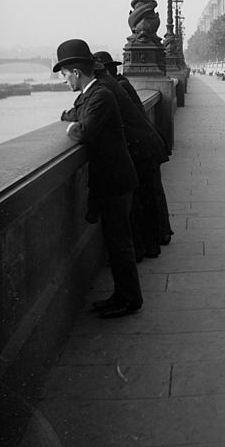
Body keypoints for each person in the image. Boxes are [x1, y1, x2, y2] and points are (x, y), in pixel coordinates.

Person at [54, 39, 142, 318]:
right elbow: (77, 113)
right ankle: (121, 295)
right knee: (115, 243)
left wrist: (71, 128)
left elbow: (84, 130)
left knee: (120, 244)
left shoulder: (101, 95)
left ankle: (130, 300)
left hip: (116, 181)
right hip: (112, 179)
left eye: (65, 74)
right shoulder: (92, 94)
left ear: (76, 72)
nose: (64, 80)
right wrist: (72, 118)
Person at [90, 51, 170, 257]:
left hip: (141, 147)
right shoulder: (119, 83)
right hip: (147, 143)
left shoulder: (109, 87)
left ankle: (149, 246)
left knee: (143, 199)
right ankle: (158, 238)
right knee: (151, 195)